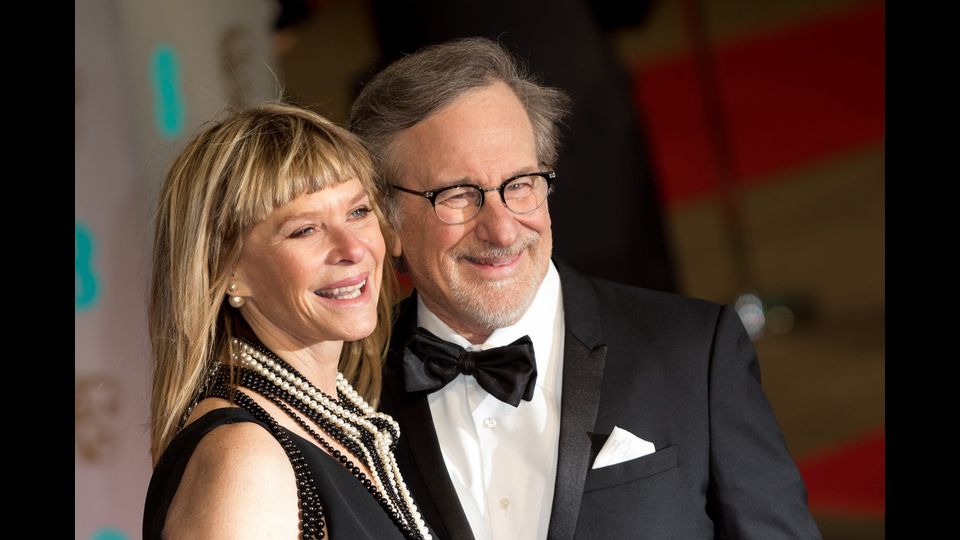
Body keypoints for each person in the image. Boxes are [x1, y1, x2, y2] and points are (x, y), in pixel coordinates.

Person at [348, 38, 821, 539]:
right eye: (458, 195)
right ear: (387, 221)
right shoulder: (345, 386)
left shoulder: (692, 354)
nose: (503, 230)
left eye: (521, 183)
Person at [142, 103, 432, 539]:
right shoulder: (245, 459)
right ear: (229, 270)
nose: (353, 249)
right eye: (305, 230)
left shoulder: (335, 424)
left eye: (357, 212)